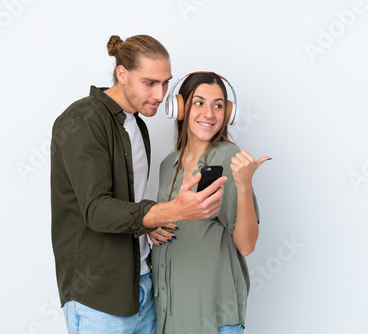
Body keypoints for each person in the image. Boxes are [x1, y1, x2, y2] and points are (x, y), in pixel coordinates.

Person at [50, 36, 227, 334]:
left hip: (142, 287)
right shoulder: (83, 120)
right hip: (99, 298)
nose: (160, 94)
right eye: (150, 83)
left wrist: (148, 223)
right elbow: (97, 210)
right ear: (122, 74)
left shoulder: (137, 125)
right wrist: (168, 210)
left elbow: (127, 205)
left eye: (165, 83)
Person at [149, 72, 270, 334]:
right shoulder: (167, 165)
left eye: (218, 105)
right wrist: (152, 224)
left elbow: (246, 245)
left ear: (227, 113)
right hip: (170, 317)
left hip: (213, 320)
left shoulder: (229, 158)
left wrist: (244, 185)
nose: (210, 114)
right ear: (180, 108)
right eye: (199, 103)